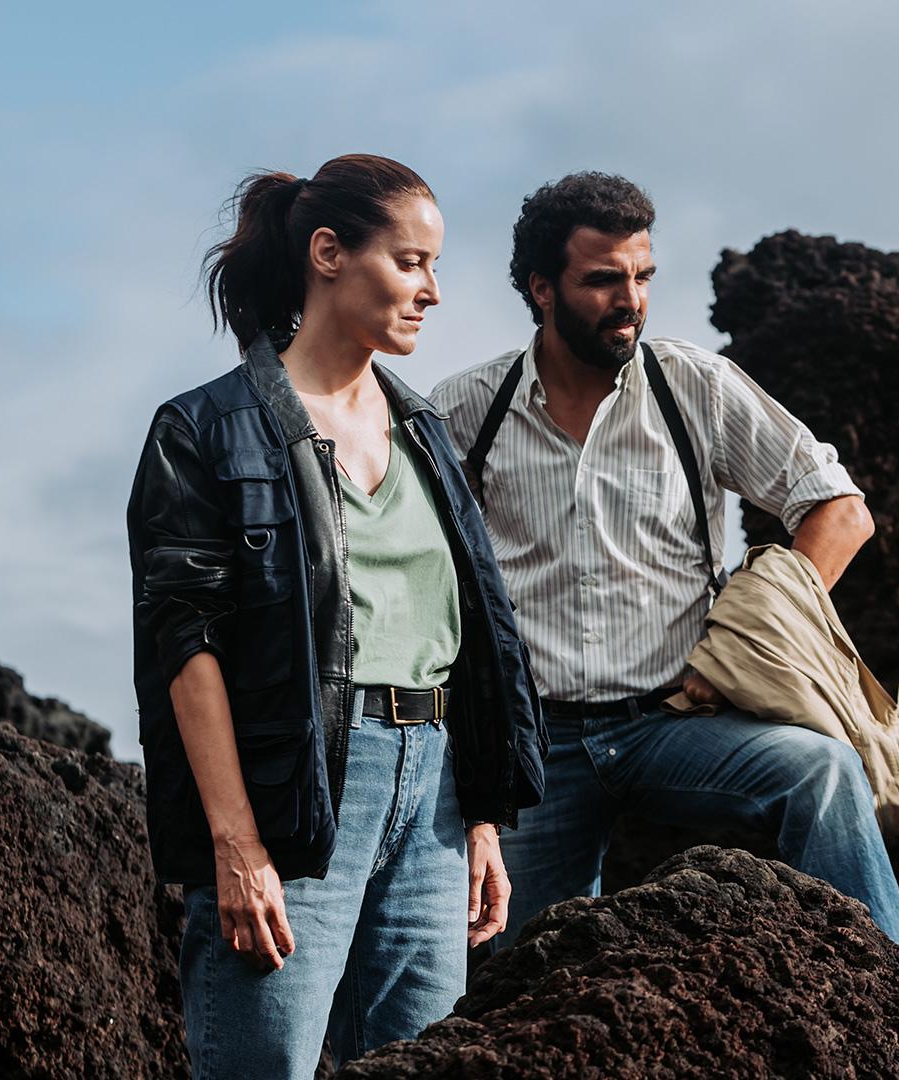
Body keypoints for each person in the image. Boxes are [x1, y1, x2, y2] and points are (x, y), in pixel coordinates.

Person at [127, 154, 545, 1079]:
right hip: (297, 791)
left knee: (422, 1062)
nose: (433, 291)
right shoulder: (205, 430)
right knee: (263, 1066)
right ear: (328, 253)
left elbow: (464, 635)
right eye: (410, 262)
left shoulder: (426, 428)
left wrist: (479, 818)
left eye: (436, 267)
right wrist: (235, 846)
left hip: (431, 792)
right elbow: (185, 649)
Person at [430, 172, 899, 955]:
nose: (630, 300)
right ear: (542, 289)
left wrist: (740, 643)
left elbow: (838, 510)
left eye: (642, 276)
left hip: (677, 721)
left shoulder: (690, 384)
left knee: (821, 775)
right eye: (603, 280)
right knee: (506, 975)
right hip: (535, 748)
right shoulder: (464, 411)